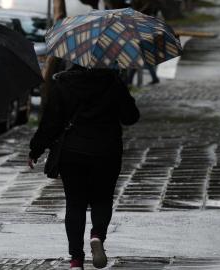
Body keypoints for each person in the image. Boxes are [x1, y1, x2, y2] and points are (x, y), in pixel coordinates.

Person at [28, 65, 139, 269]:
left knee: (75, 204)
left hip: (72, 153)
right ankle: (97, 235)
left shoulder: (63, 83)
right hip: (107, 151)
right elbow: (131, 117)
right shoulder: (113, 81)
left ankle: (76, 260)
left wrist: (35, 149)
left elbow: (50, 123)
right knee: (102, 199)